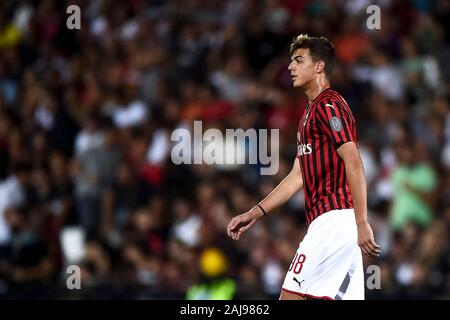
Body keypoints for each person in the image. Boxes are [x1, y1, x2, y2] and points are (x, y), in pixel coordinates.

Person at [227, 34, 380, 300]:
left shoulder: (328, 104)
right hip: (334, 224)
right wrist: (255, 212)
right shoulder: (309, 114)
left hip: (334, 221)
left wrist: (362, 221)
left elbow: (354, 160)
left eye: (299, 60)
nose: (290, 67)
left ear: (319, 66)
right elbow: (298, 176)